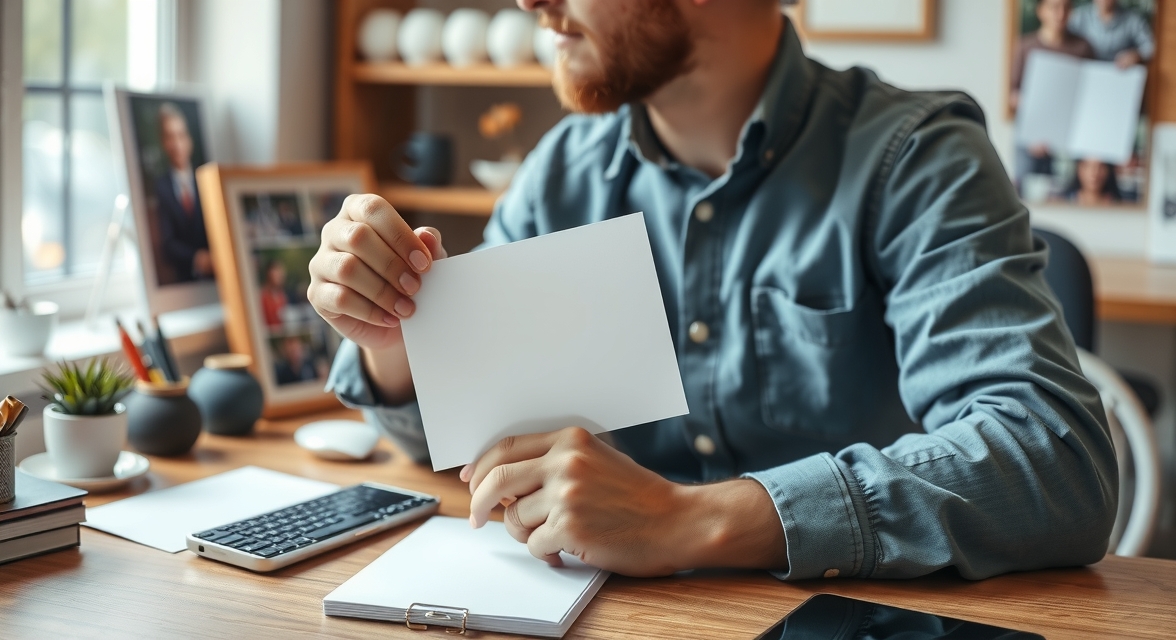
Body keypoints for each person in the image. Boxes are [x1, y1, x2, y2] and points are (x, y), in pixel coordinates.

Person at [311, 0, 1116, 581]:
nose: (530, 3)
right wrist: (398, 344)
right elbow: (484, 457)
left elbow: (1055, 460)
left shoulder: (915, 160)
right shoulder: (561, 174)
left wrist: (688, 520)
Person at [1010, 0, 1096, 193]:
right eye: (1054, 7)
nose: (1060, 13)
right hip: (1031, 136)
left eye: (1066, 8)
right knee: (1023, 189)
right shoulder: (1026, 46)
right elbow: (1013, 95)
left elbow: (1091, 97)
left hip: (1070, 138)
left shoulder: (1083, 47)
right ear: (1041, 11)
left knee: (1067, 191)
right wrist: (1035, 130)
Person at [153, 102, 213, 284]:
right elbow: (167, 243)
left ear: (189, 139)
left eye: (181, 135)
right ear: (164, 143)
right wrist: (196, 258)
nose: (177, 144)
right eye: (171, 137)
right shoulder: (161, 187)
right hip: (183, 281)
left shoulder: (207, 179)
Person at [1068, 0, 1154, 68]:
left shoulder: (1133, 20)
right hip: (1087, 74)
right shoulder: (1079, 16)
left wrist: (1137, 55)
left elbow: (1150, 46)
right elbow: (1062, 38)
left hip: (1120, 75)